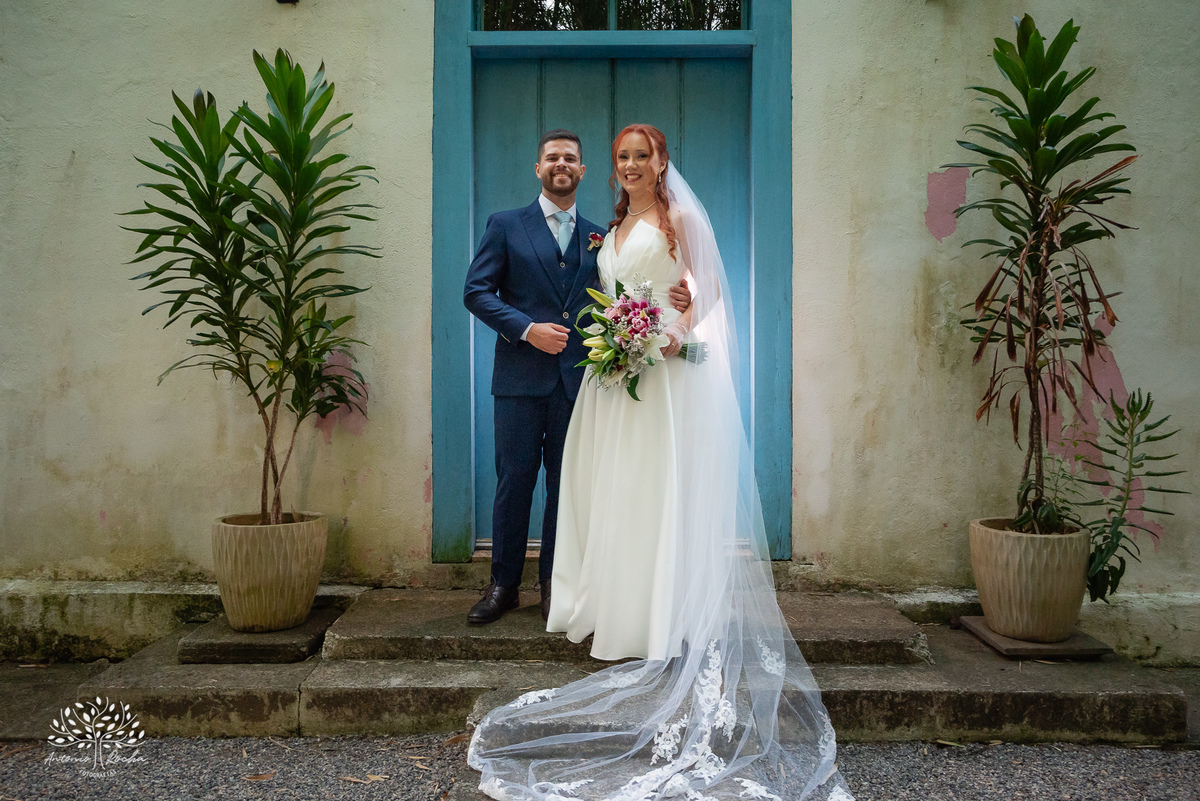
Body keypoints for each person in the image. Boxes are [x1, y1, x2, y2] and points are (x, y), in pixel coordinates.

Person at [467, 125, 855, 800]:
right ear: (552, 166)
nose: (630, 165)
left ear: (657, 162)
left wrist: (675, 326)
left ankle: (633, 605)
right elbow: (495, 292)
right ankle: (526, 589)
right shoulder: (568, 227)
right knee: (561, 488)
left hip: (644, 377)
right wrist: (551, 330)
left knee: (630, 491)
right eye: (623, 157)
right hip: (585, 379)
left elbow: (702, 292)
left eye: (639, 156)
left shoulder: (658, 222)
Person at [463, 129, 691, 625]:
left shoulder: (602, 233)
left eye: (570, 158)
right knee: (514, 481)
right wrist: (525, 330)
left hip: (583, 382)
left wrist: (684, 300)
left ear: (583, 171)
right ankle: (503, 585)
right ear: (538, 169)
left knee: (570, 486)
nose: (560, 164)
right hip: (520, 380)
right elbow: (476, 292)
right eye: (551, 158)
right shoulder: (505, 225)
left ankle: (554, 584)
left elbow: (636, 288)